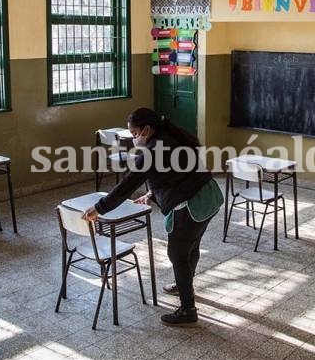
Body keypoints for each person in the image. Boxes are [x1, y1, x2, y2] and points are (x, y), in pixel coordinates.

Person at [83, 108, 223, 326]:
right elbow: (176, 173)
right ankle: (183, 284)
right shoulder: (171, 137)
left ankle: (188, 309)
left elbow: (127, 185)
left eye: (134, 132)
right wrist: (152, 194)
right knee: (190, 247)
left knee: (177, 253)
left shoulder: (153, 151)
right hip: (209, 195)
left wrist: (99, 208)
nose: (133, 137)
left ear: (147, 129)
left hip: (193, 203)